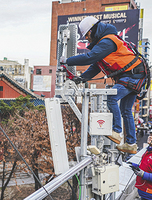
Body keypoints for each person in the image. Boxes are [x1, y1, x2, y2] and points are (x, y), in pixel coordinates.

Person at [60, 16, 146, 154]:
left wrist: (67, 61)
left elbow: (90, 58)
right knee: (126, 110)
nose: (87, 38)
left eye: (87, 35)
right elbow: (95, 66)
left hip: (131, 76)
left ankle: (117, 131)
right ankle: (131, 144)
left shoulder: (108, 41)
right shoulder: (105, 43)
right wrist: (81, 78)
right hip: (135, 75)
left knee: (112, 98)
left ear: (93, 30)